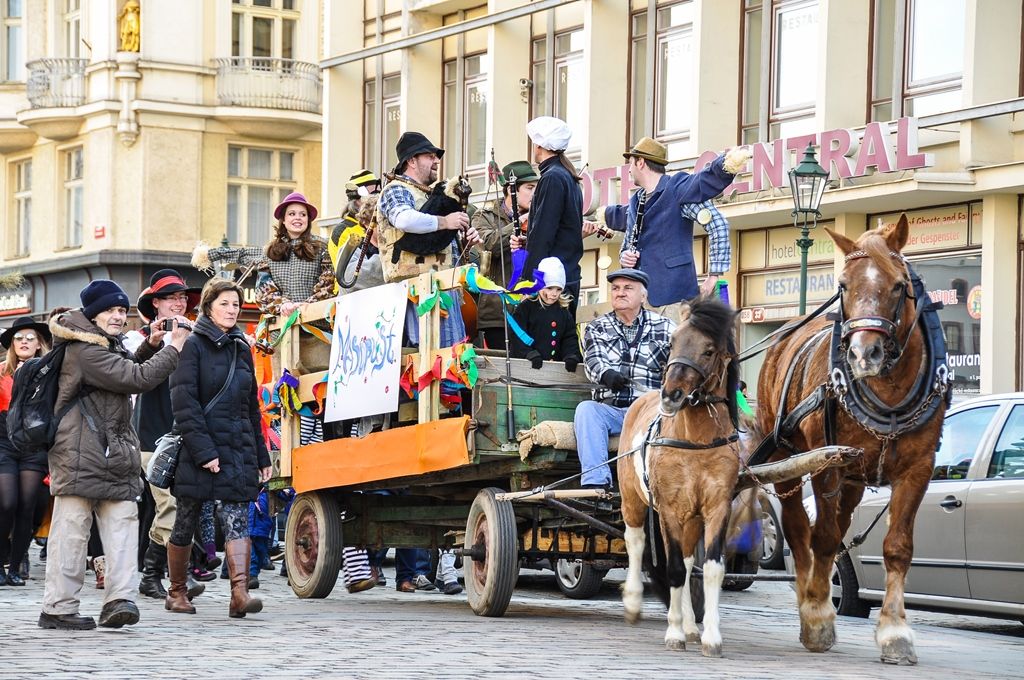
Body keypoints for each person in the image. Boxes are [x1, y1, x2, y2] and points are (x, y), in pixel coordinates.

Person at [39, 280, 188, 630]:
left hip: (113, 452)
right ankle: (58, 607)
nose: (119, 316)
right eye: (111, 310)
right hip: (79, 452)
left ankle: (119, 600)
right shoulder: (83, 350)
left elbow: (122, 370)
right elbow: (135, 379)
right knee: (71, 535)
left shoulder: (105, 344)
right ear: (93, 314)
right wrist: (175, 345)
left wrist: (151, 345)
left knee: (123, 527)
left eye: (122, 310)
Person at [166, 278, 271, 619]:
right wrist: (204, 451)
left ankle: (239, 593)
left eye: (236, 304)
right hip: (200, 450)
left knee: (238, 519)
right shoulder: (192, 345)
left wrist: (261, 454)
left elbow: (251, 407)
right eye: (224, 303)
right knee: (186, 519)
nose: (232, 310)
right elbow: (184, 402)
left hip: (237, 449)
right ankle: (177, 592)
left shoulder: (241, 346)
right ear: (208, 306)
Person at [586, 137, 749, 323]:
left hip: (675, 299)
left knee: (678, 343)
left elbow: (718, 223)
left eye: (631, 163)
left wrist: (714, 275)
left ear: (640, 162)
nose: (629, 170)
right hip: (642, 301)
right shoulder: (636, 201)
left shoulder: (677, 188)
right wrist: (625, 256)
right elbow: (627, 244)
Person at [128, 269, 206, 600]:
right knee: (170, 506)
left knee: (181, 508)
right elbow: (135, 373)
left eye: (182, 297)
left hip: (184, 435)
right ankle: (167, 575)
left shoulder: (196, 336)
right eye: (171, 297)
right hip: (151, 436)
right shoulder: (143, 339)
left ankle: (157, 574)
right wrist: (159, 342)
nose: (179, 302)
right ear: (155, 304)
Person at [573, 269, 675, 490]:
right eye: (616, 288)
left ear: (643, 296)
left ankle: (662, 484)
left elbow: (680, 365)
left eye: (628, 288)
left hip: (651, 411)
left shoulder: (666, 327)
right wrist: (606, 375)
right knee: (586, 410)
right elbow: (593, 361)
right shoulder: (597, 327)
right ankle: (596, 485)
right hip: (613, 411)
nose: (620, 293)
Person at [193, 191, 334, 318]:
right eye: (292, 214)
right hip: (282, 326)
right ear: (283, 220)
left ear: (308, 220)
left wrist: (307, 306)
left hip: (317, 325)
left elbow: (329, 283)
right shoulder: (270, 251)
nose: (298, 218)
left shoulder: (323, 246)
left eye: (303, 214)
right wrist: (283, 305)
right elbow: (263, 288)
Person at [512, 116, 584, 316]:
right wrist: (528, 240)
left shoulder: (552, 177)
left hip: (549, 283)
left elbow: (543, 233)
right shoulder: (568, 177)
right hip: (566, 276)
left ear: (539, 145)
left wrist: (528, 282)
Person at [0, 316, 52, 587]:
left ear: (39, 344)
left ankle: (16, 567)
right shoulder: (1, 372)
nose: (24, 342)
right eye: (18, 338)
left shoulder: (49, 374)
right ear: (12, 344)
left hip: (35, 446)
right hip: (4, 443)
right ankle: (1, 561)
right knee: (7, 503)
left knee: (27, 507)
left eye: (30, 338)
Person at [472, 160, 540, 349]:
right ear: (511, 189)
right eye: (530, 188)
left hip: (531, 309)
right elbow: (488, 245)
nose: (535, 193)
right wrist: (519, 222)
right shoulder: (484, 216)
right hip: (497, 313)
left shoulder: (537, 218)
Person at [510, 258, 582, 372]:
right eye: (549, 288)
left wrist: (570, 355)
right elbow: (517, 334)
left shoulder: (563, 312)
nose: (554, 294)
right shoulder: (526, 308)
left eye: (558, 289)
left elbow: (569, 337)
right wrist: (528, 353)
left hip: (554, 370)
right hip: (526, 367)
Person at [329, 170, 381, 281]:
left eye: (378, 192)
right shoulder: (343, 231)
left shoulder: (382, 222)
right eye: (372, 193)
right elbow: (349, 272)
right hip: (353, 287)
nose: (376, 197)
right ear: (356, 200)